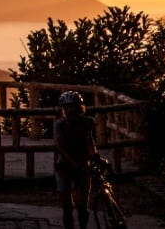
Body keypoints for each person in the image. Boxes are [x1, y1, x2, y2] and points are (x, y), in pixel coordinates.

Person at [54, 91, 97, 229]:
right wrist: (74, 163)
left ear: (78, 107)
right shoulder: (60, 124)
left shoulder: (88, 122)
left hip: (82, 165)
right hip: (64, 166)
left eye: (71, 106)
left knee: (82, 205)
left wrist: (94, 156)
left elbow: (89, 141)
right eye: (66, 107)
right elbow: (61, 147)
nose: (68, 110)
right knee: (67, 205)